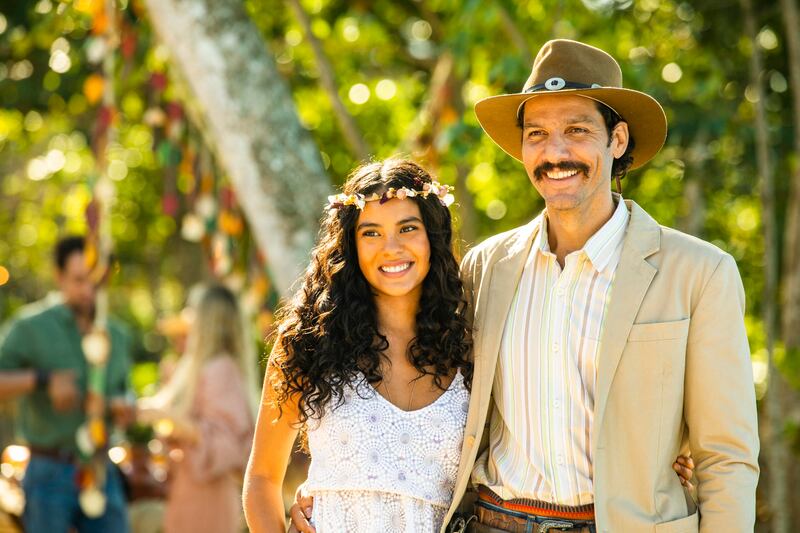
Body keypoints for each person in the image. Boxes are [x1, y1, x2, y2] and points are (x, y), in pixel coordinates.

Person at [293, 39, 754, 533]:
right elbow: (424, 388)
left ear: (617, 140)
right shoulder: (485, 268)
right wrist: (338, 478)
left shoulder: (699, 273)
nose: (555, 152)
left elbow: (726, 458)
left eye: (576, 130)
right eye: (537, 133)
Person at [243, 159, 474, 532]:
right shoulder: (308, 342)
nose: (391, 248)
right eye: (371, 233)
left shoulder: (468, 347)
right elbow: (263, 480)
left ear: (432, 236)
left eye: (407, 228)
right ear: (350, 244)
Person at [0, 235, 133, 533]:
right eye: (79, 280)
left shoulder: (118, 334)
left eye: (96, 281)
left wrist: (125, 407)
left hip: (102, 468)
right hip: (48, 471)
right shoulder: (30, 326)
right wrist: (42, 379)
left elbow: (126, 391)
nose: (89, 291)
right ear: (59, 277)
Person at [138, 283, 259, 533]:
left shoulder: (220, 370)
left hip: (208, 497)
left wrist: (167, 418)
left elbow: (228, 444)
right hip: (188, 493)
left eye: (193, 312)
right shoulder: (199, 367)